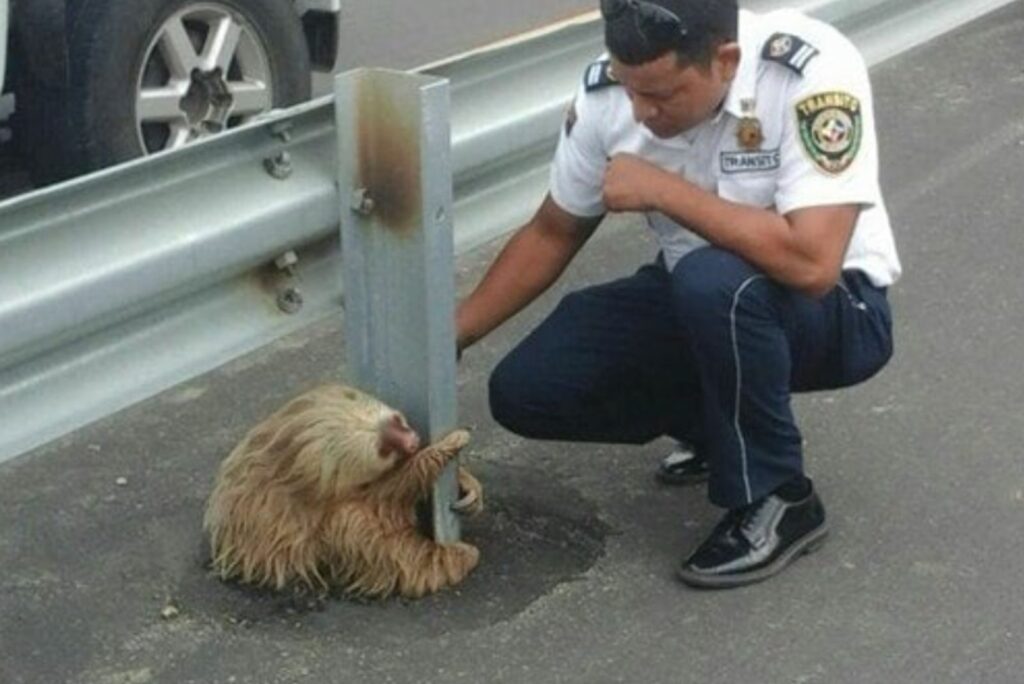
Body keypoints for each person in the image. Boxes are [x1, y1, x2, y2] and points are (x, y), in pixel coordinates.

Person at [455, 0, 900, 588]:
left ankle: (779, 496)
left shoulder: (808, 72)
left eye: (662, 97)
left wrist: (664, 190)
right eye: (631, 90)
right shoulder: (610, 96)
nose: (641, 113)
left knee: (713, 281)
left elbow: (813, 262)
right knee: (528, 388)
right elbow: (551, 231)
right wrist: (453, 332)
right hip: (702, 299)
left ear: (725, 60)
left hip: (837, 309)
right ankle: (720, 428)